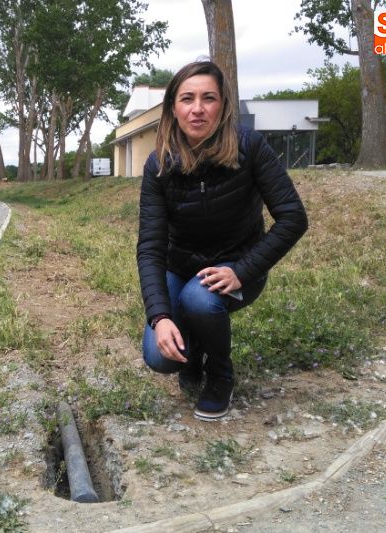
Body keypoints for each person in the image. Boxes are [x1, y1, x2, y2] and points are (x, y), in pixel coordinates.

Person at [136, 60, 308, 421]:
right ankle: (192, 352)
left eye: (208, 98)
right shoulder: (157, 167)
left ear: (223, 105)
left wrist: (243, 270)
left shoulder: (252, 147)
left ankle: (220, 374)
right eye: (187, 99)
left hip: (238, 268)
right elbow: (150, 247)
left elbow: (293, 217)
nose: (197, 108)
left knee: (200, 299)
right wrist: (159, 317)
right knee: (159, 356)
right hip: (180, 267)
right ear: (173, 108)